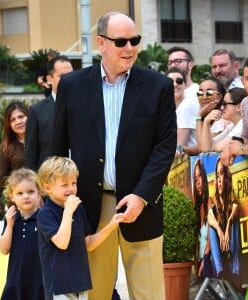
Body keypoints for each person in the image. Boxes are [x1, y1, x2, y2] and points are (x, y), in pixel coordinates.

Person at [50, 11, 177, 300]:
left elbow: (165, 146)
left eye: (134, 40)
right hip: (90, 207)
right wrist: (58, 205)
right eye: (121, 41)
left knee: (150, 295)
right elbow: (57, 149)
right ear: (101, 43)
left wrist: (142, 195)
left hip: (141, 206)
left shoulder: (158, 86)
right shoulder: (71, 86)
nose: (129, 48)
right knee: (95, 294)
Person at [37, 156, 122, 300]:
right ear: (47, 188)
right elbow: (62, 243)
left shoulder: (79, 209)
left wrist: (111, 226)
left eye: (74, 183)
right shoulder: (45, 214)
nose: (71, 188)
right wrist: (68, 211)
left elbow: (88, 244)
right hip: (59, 287)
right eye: (64, 185)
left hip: (80, 284)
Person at [0, 168, 44, 300]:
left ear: (39, 193)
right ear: (12, 196)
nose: (26, 196)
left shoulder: (45, 217)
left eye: (30, 192)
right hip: (16, 280)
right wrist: (10, 224)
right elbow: (3, 249)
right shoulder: (11, 218)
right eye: (20, 193)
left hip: (41, 282)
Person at [25, 55, 73, 171]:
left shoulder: (85, 106)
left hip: (82, 181)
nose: (69, 79)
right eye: (62, 76)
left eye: (71, 75)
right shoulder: (37, 111)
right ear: (49, 79)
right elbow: (31, 155)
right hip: (49, 181)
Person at [207, 157, 240, 282]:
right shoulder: (215, 206)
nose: (219, 180)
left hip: (232, 253)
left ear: (227, 177)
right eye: (217, 175)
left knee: (234, 220)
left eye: (222, 174)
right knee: (212, 225)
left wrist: (227, 226)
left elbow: (236, 210)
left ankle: (235, 269)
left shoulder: (232, 202)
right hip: (220, 253)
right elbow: (210, 217)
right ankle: (219, 270)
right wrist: (220, 230)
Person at [221, 56, 248, 166]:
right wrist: (231, 147)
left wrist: (241, 149)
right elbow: (247, 138)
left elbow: (242, 147)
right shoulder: (245, 103)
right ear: (242, 81)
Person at [198, 88, 246, 152]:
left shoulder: (243, 124)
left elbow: (219, 147)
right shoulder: (232, 126)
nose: (221, 108)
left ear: (239, 107)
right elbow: (206, 148)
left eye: (225, 104)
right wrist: (206, 121)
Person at [166, 67, 199, 156]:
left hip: (191, 161)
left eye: (179, 81)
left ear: (185, 84)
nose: (175, 84)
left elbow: (179, 146)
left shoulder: (186, 106)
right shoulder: (169, 108)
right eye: (170, 81)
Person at [0, 101, 29, 188]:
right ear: (9, 125)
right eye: (12, 120)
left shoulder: (42, 140)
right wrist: (23, 180)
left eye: (21, 117)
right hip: (19, 197)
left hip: (43, 196)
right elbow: (0, 179)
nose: (18, 122)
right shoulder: (6, 147)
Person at [192, 158, 213, 278]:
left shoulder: (209, 202)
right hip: (199, 263)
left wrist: (204, 262)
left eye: (200, 176)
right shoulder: (197, 208)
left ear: (204, 177)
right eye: (195, 180)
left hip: (208, 263)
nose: (198, 182)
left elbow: (211, 240)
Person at [196, 77, 226, 148]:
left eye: (209, 93)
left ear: (220, 97)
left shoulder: (222, 118)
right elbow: (198, 148)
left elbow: (202, 148)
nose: (204, 97)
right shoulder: (205, 116)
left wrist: (199, 116)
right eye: (200, 93)